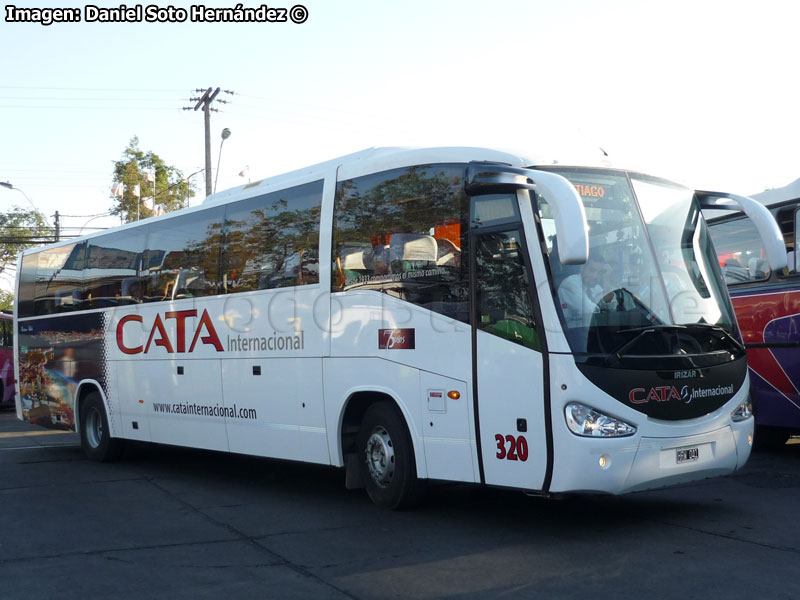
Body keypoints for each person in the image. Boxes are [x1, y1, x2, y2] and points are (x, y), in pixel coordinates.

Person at [557, 252, 629, 327]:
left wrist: (606, 282)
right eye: (592, 270)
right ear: (582, 268)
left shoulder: (594, 287)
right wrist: (603, 308)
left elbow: (611, 307)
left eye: (599, 273)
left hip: (590, 331)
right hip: (570, 334)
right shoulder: (571, 283)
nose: (595, 276)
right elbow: (591, 312)